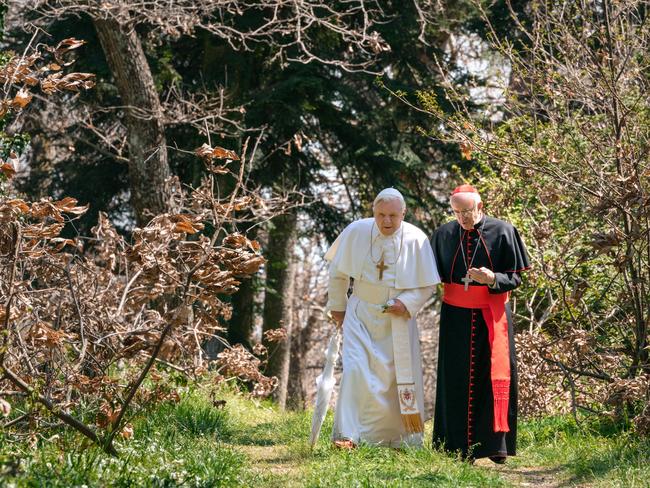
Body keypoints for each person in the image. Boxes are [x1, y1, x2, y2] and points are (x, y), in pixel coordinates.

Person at [325, 188, 440, 448]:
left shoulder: (416, 239)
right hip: (360, 313)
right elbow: (338, 273)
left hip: (397, 320)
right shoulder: (356, 231)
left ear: (404, 214)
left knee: (392, 379)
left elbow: (426, 285)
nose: (386, 221)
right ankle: (348, 435)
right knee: (355, 370)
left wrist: (405, 303)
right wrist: (337, 307)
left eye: (393, 216)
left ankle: (396, 439)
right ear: (373, 212)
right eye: (380, 215)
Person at [431, 184, 530, 463]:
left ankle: (495, 446)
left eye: (467, 211)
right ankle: (456, 447)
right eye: (457, 212)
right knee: (455, 379)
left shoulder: (503, 231)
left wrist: (492, 279)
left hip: (492, 314)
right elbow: (428, 273)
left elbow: (516, 278)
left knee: (494, 377)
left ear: (480, 207)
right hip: (455, 317)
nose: (462, 218)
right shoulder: (443, 234)